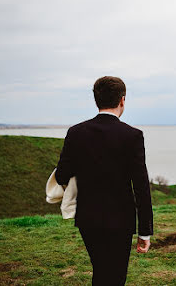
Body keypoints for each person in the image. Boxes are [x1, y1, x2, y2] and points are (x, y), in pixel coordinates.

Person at [55, 76, 153, 285]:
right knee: (115, 277)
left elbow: (61, 175)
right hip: (121, 220)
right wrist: (145, 230)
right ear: (122, 100)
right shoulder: (133, 136)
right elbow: (141, 187)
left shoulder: (76, 132)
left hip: (87, 218)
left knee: (101, 271)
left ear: (96, 100)